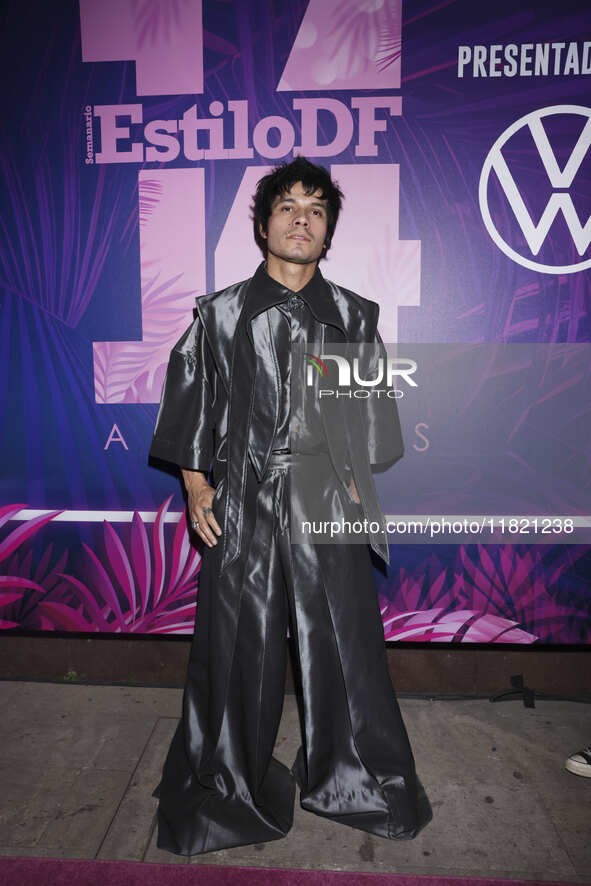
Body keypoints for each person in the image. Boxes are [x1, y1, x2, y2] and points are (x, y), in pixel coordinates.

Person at [148, 156, 433, 855]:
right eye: (286, 205)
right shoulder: (217, 314)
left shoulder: (351, 315)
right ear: (263, 223)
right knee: (237, 650)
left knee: (343, 647)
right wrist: (195, 486)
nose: (300, 217)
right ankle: (227, 782)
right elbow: (192, 401)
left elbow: (370, 421)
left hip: (326, 499)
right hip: (241, 499)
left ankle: (356, 775)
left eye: (315, 208)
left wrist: (359, 496)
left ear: (327, 228)